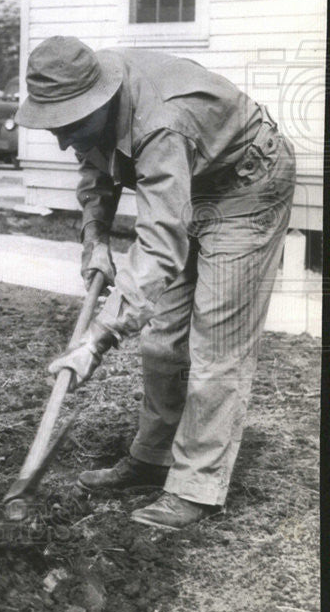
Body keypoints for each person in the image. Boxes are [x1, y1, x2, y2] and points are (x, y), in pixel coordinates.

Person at [16, 36, 296, 530]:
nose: (62, 141)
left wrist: (95, 342)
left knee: (217, 341)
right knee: (162, 336)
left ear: (100, 101)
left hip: (244, 186)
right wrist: (95, 238)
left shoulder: (161, 123)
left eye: (70, 125)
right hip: (189, 178)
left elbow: (160, 244)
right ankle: (153, 457)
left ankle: (196, 486)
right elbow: (95, 165)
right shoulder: (95, 103)